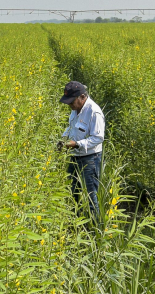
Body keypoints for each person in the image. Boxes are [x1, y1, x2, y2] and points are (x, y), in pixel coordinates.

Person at [59, 81, 105, 219]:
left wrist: (76, 144)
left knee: (91, 196)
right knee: (72, 192)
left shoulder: (94, 112)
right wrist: (64, 138)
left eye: (72, 101)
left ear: (82, 97)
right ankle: (74, 224)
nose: (70, 105)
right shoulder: (75, 110)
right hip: (75, 156)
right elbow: (71, 126)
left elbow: (98, 138)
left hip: (90, 158)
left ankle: (96, 230)